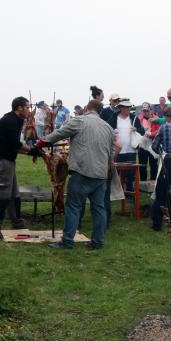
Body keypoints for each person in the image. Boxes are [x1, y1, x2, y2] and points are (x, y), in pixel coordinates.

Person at [37, 100, 114, 249]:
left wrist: (41, 143)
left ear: (86, 108)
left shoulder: (80, 120)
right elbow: (110, 154)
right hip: (100, 175)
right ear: (100, 111)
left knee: (73, 207)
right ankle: (98, 242)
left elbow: (59, 133)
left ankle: (67, 242)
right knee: (99, 209)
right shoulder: (108, 128)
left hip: (82, 171)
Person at [0, 96, 36, 238]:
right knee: (4, 193)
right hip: (1, 160)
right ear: (19, 108)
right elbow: (16, 144)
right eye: (27, 107)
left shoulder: (16, 120)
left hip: (8, 159)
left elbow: (12, 146)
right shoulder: (10, 121)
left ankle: (17, 221)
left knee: (14, 193)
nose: (28, 110)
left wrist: (32, 152)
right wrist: (32, 150)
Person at [114, 99, 143, 192]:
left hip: (131, 150)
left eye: (129, 107)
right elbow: (108, 130)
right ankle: (115, 191)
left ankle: (129, 191)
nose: (129, 109)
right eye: (127, 107)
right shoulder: (114, 117)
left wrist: (136, 129)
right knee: (115, 172)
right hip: (117, 150)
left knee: (130, 173)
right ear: (121, 108)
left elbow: (142, 131)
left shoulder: (134, 118)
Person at [134, 102, 158, 181]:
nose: (145, 112)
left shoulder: (156, 118)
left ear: (151, 110)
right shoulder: (139, 118)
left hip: (153, 145)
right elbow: (136, 130)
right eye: (144, 111)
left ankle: (153, 182)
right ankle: (143, 182)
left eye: (147, 111)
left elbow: (159, 130)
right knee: (142, 165)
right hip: (143, 145)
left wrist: (151, 134)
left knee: (153, 165)